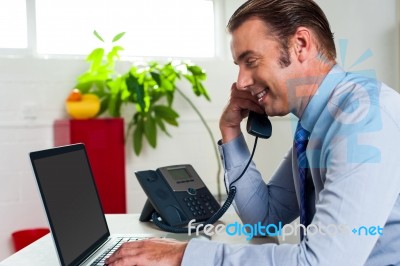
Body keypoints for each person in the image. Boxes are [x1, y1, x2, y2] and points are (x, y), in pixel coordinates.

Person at [105, 0, 400, 265]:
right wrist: (231, 129)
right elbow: (264, 219)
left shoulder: (364, 117)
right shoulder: (317, 125)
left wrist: (184, 255)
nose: (241, 82)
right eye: (239, 65)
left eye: (251, 61)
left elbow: (321, 262)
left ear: (300, 44)